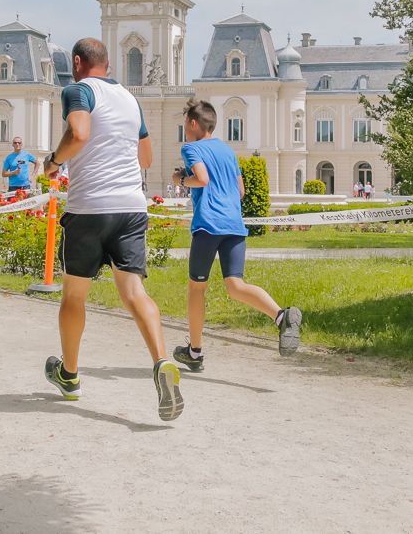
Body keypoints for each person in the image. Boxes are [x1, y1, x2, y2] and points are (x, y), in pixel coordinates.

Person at [42, 37, 183, 422]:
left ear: (77, 62)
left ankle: (69, 375)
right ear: (107, 62)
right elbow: (147, 157)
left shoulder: (78, 90)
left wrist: (54, 160)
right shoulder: (129, 99)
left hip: (90, 209)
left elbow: (80, 133)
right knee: (135, 291)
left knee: (74, 295)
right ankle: (161, 361)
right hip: (131, 208)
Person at [171, 99, 302, 372]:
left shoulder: (191, 148)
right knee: (235, 285)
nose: (185, 129)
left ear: (194, 124)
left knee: (197, 288)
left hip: (208, 225)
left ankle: (195, 353)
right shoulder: (228, 151)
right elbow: (240, 191)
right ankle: (281, 316)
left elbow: (203, 179)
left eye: (185, 124)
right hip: (233, 225)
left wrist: (181, 180)